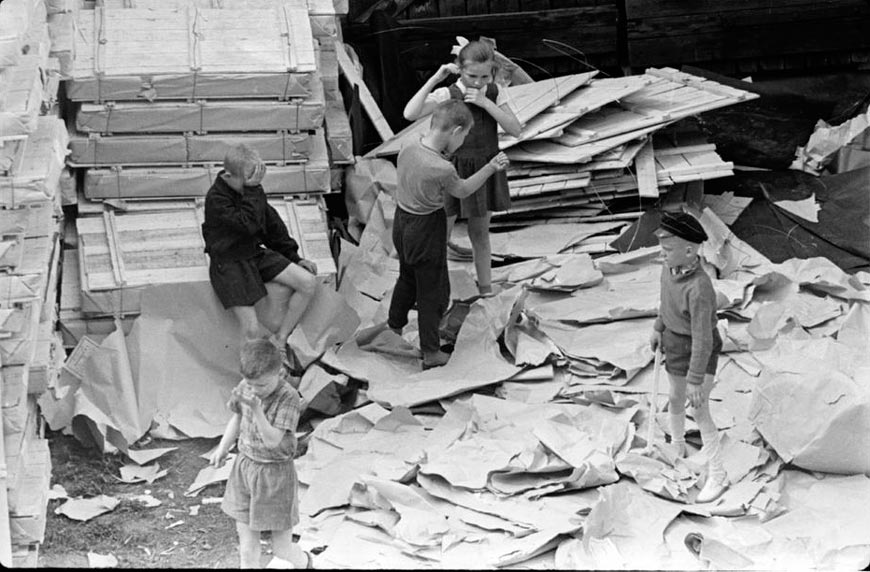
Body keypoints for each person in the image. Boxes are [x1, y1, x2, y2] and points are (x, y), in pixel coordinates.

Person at [388, 100, 509, 369]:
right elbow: (463, 190)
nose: (463, 141)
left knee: (407, 278)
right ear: (455, 131)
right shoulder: (442, 168)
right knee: (433, 292)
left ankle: (393, 328)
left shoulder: (408, 144)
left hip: (401, 221)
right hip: (426, 227)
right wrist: (491, 167)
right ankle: (431, 352)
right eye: (464, 136)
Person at [403, 40, 521, 297]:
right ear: (459, 70)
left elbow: (516, 128)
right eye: (471, 76)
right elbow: (410, 113)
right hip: (450, 169)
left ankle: (486, 288)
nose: (478, 82)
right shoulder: (448, 94)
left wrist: (485, 103)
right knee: (439, 236)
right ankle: (434, 290)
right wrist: (436, 78)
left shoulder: (493, 91)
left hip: (484, 167)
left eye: (484, 76)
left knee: (480, 233)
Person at [202, 144, 318, 359]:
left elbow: (271, 226)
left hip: (253, 254)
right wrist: (253, 189)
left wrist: (294, 257)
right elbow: (248, 225)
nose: (253, 184)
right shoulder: (216, 199)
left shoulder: (251, 190)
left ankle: (280, 339)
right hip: (229, 263)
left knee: (307, 282)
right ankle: (251, 379)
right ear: (229, 175)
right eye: (248, 180)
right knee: (251, 330)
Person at [649, 211, 729, 504]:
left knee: (699, 409)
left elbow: (704, 339)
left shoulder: (700, 288)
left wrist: (696, 379)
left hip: (700, 351)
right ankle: (679, 444)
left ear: (690, 250)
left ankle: (718, 474)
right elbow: (664, 302)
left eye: (668, 250)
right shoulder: (668, 270)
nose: (662, 254)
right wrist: (659, 327)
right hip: (674, 342)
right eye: (662, 248)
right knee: (674, 397)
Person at [210, 339, 309, 568]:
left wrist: (257, 409)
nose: (255, 390)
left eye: (262, 385)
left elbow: (273, 440)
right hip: (245, 468)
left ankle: (306, 563)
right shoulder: (247, 386)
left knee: (281, 549)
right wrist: (223, 448)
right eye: (251, 384)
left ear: (280, 372)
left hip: (275, 475)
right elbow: (237, 417)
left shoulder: (289, 397)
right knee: (247, 546)